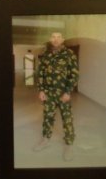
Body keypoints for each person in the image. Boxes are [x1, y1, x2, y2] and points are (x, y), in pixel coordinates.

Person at [33, 32, 78, 161]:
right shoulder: (46, 54)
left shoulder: (69, 54)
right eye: (53, 37)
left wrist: (68, 92)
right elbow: (40, 73)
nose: (56, 39)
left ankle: (69, 144)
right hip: (48, 94)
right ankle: (45, 140)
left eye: (59, 37)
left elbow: (74, 74)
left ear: (63, 39)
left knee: (67, 119)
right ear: (50, 39)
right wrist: (41, 90)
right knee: (48, 117)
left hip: (63, 93)